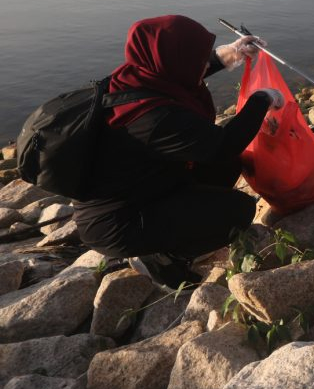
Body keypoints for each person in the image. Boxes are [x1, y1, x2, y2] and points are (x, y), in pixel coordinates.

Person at [74, 15, 278, 288]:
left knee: (227, 165)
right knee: (238, 211)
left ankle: (180, 221)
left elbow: (181, 75)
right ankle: (160, 258)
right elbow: (222, 144)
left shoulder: (133, 79)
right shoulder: (152, 118)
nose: (201, 61)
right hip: (118, 223)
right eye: (196, 56)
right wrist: (261, 99)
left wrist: (232, 53)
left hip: (141, 188)